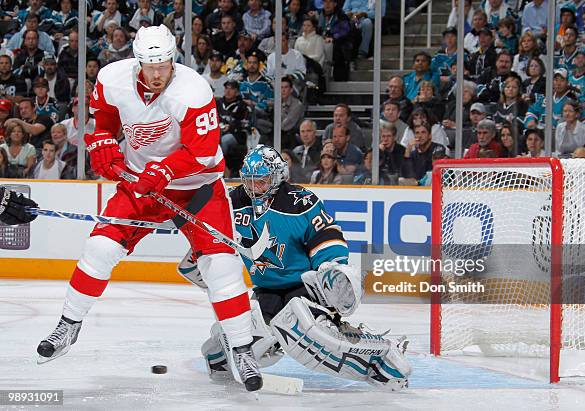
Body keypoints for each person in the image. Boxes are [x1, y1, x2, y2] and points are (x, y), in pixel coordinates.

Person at [35, 25, 262, 392]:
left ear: (174, 58)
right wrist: (102, 142)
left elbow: (202, 153)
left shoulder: (194, 90)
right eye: (149, 65)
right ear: (137, 61)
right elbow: (103, 121)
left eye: (164, 65)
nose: (157, 74)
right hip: (140, 184)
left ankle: (241, 348)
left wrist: (164, 170)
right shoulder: (112, 79)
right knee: (100, 247)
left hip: (196, 187)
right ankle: (68, 325)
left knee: (220, 266)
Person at [178, 145, 411, 389]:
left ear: (277, 176)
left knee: (309, 337)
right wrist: (204, 255)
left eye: (262, 181)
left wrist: (329, 268)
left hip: (303, 288)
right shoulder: (232, 202)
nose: (254, 188)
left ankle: (383, 359)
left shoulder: (299, 201)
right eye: (249, 180)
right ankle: (221, 363)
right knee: (242, 340)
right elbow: (211, 238)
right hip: (266, 289)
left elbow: (325, 236)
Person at [399, 122, 445, 186]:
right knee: (400, 180)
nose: (420, 136)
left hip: (433, 185)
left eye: (423, 132)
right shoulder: (412, 154)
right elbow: (407, 175)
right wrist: (407, 151)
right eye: (417, 133)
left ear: (430, 135)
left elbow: (436, 172)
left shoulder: (437, 149)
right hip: (416, 187)